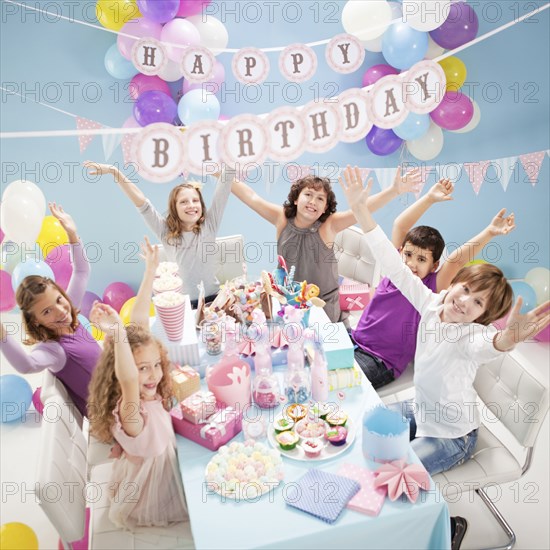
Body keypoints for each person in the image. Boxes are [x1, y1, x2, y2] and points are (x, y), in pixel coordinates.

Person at [340, 168, 549, 550]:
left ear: (483, 315)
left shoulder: (472, 336)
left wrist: (507, 340)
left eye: (478, 302)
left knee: (393, 478)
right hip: (421, 409)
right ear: (452, 283)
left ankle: (443, 528)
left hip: (452, 435)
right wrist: (361, 211)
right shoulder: (432, 302)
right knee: (360, 427)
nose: (465, 300)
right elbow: (390, 259)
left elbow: (490, 345)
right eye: (465, 289)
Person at [350, 173, 516, 389]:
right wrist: (428, 198)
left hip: (381, 361)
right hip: (354, 340)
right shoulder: (396, 271)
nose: (411, 263)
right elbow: (400, 225)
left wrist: (489, 233)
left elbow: (457, 260)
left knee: (331, 384)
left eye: (421, 259)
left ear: (434, 265)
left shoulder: (431, 288)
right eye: (407, 255)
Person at [232, 166, 422, 322]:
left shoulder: (328, 226)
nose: (313, 201)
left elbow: (361, 210)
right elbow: (251, 197)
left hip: (321, 306)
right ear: (296, 199)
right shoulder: (281, 218)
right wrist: (223, 175)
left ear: (325, 208)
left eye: (320, 199)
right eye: (308, 194)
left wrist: (394, 190)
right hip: (286, 301)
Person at [86, 303, 191, 537]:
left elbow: (141, 321)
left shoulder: (149, 394)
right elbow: (129, 378)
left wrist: (151, 269)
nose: (154, 374)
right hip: (155, 488)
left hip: (167, 460)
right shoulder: (131, 413)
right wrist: (118, 333)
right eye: (143, 368)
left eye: (156, 365)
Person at [84, 160, 236, 306]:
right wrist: (114, 172)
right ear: (174, 208)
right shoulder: (166, 232)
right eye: (183, 202)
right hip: (184, 305)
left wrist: (230, 144)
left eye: (195, 200)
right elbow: (142, 203)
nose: (191, 205)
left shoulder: (209, 225)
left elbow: (225, 182)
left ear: (201, 206)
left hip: (215, 300)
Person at [0, 203, 100, 417]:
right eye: (46, 312)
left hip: (121, 389)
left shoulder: (68, 314)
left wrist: (72, 233)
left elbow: (81, 271)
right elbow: (26, 365)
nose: (60, 311)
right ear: (35, 321)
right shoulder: (53, 350)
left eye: (58, 300)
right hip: (111, 415)